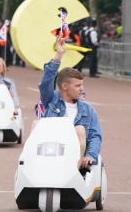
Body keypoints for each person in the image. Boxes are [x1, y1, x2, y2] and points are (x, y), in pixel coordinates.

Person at [39, 35, 103, 172]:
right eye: (78, 86)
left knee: (80, 129)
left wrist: (90, 155)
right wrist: (59, 54)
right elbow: (45, 84)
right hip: (51, 151)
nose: (82, 89)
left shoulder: (88, 111)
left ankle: (74, 174)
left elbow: (95, 136)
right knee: (35, 124)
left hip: (75, 158)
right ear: (64, 86)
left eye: (82, 85)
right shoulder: (51, 100)